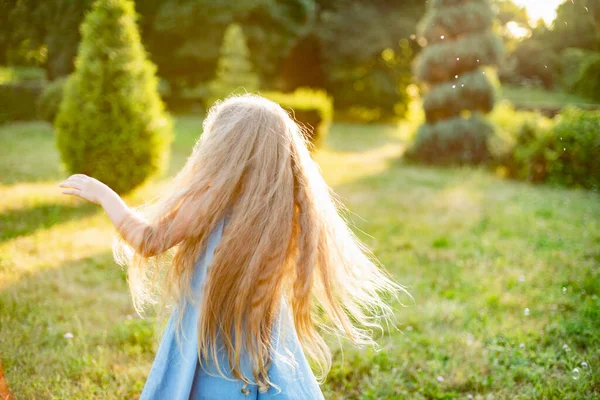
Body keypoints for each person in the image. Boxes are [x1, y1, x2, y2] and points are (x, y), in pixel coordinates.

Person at [59, 94, 402, 399]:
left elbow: (150, 241)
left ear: (223, 148)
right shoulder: (283, 207)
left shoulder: (210, 198)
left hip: (210, 335)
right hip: (258, 337)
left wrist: (105, 196)